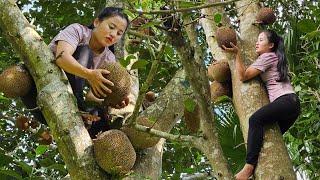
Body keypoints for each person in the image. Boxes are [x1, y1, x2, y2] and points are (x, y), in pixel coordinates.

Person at [22, 7, 130, 138]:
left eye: (119, 33)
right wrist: (89, 74)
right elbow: (62, 58)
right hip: (37, 89)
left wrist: (111, 99)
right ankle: (79, 108)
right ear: (96, 22)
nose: (113, 34)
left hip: (62, 107)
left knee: (98, 115)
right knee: (85, 51)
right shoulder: (78, 30)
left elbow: (91, 96)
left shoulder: (109, 59)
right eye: (111, 27)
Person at [222, 29, 300, 179]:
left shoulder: (268, 56)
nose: (257, 43)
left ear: (271, 45)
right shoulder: (276, 56)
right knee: (267, 136)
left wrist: (237, 54)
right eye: (257, 39)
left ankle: (249, 167)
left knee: (255, 120)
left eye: (261, 40)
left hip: (285, 100)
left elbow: (243, 76)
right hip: (292, 105)